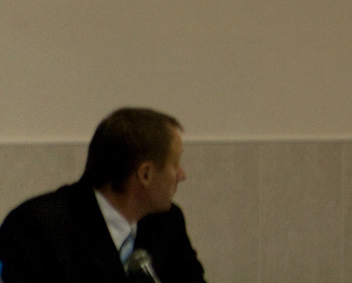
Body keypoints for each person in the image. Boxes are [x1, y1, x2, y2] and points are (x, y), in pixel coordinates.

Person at [0, 108, 206, 282]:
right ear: (145, 174)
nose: (182, 175)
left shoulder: (167, 223)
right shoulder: (36, 226)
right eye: (175, 164)